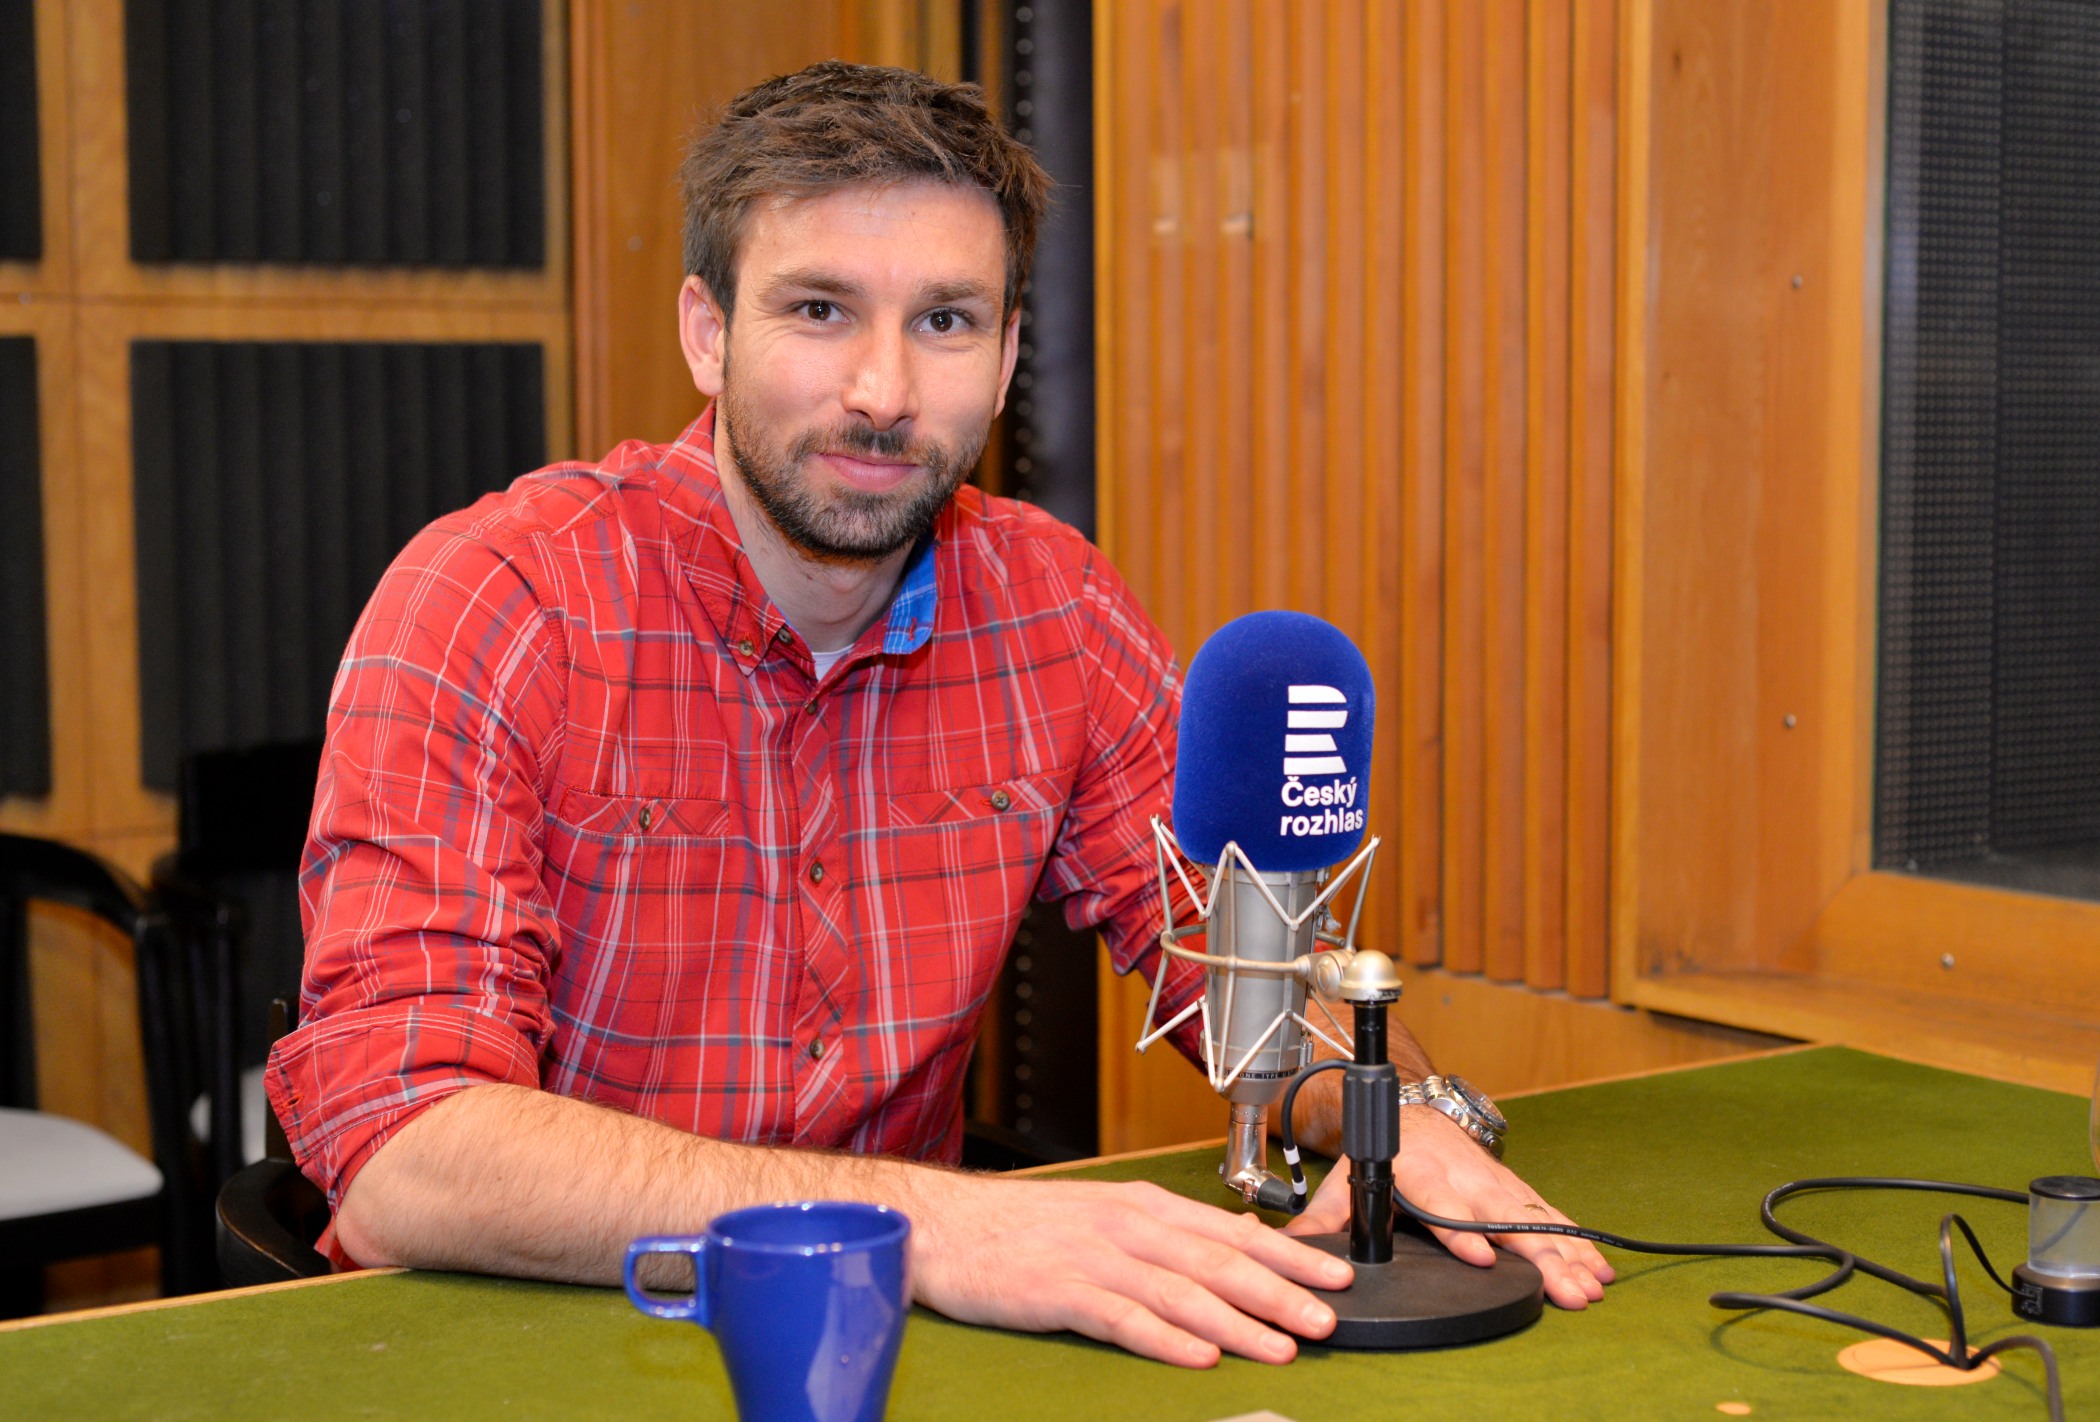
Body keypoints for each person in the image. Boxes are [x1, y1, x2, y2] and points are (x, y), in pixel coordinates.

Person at [267, 61, 1611, 1369]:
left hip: (901, 1356)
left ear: (1010, 353)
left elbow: (1237, 958)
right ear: (706, 331)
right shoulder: (498, 600)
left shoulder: (1052, 606)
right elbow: (401, 1153)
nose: (884, 392)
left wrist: (1394, 1112)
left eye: (947, 322)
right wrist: (941, 1224)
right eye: (820, 310)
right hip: (526, 1350)